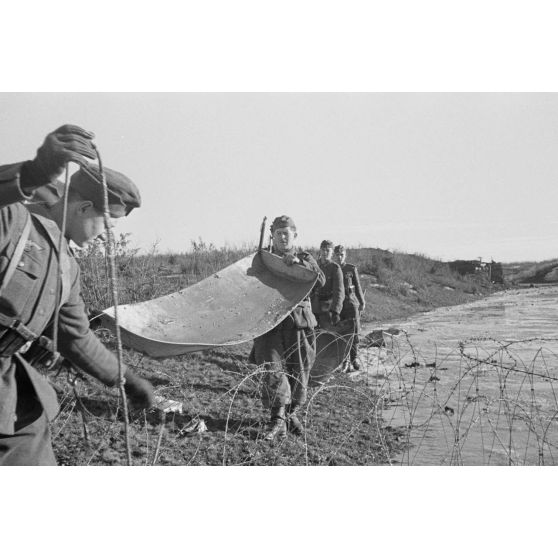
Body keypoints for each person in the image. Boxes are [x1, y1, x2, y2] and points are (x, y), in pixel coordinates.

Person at [0, 124, 154, 466]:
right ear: (83, 208)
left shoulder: (68, 269)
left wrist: (126, 378)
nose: (106, 238)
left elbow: (76, 336)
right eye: (106, 225)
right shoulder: (12, 221)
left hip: (7, 394)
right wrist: (32, 173)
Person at [251, 215, 325, 441]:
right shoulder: (263, 258)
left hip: (298, 323)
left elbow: (319, 280)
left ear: (295, 235)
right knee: (271, 368)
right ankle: (277, 419)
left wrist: (299, 265)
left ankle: (291, 414)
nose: (283, 237)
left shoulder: (305, 257)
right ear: (271, 235)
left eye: (287, 233)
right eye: (278, 233)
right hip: (270, 322)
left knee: (299, 369)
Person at [333, 245, 366, 371]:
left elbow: (357, 287)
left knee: (355, 333)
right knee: (342, 334)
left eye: (341, 254)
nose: (339, 257)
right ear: (334, 256)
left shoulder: (350, 269)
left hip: (351, 305)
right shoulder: (333, 269)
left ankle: (354, 359)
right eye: (337, 255)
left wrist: (362, 302)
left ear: (345, 255)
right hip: (339, 307)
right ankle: (344, 361)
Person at [312, 239, 344, 328]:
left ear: (332, 253)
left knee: (327, 335)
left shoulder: (335, 268)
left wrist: (336, 312)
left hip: (328, 308)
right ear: (320, 250)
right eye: (323, 250)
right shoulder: (315, 266)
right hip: (314, 306)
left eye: (328, 250)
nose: (325, 252)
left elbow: (339, 292)